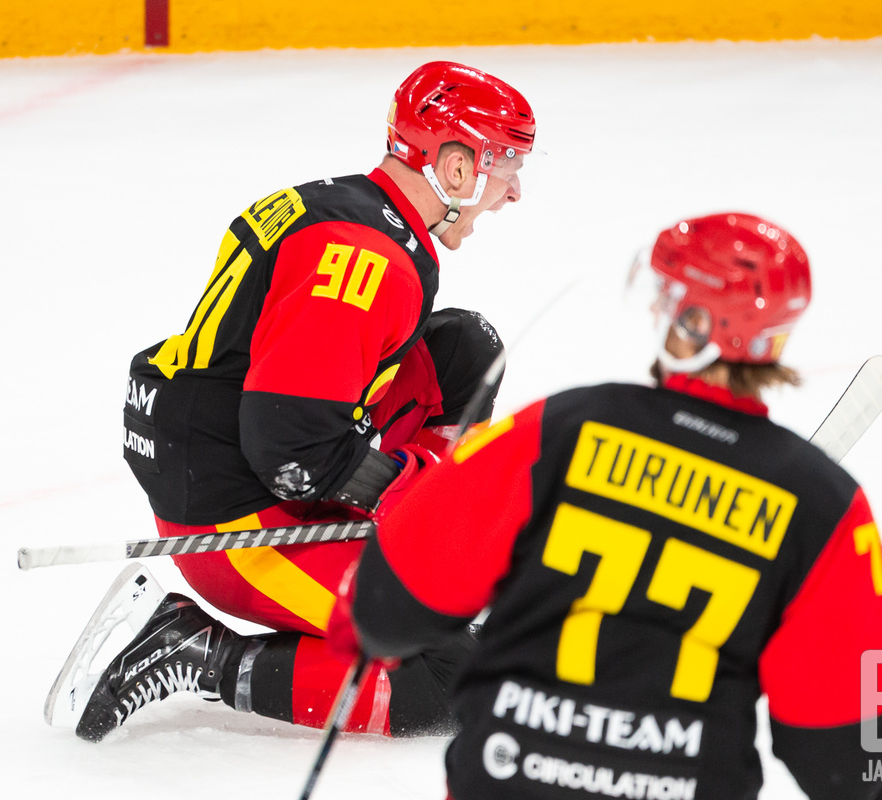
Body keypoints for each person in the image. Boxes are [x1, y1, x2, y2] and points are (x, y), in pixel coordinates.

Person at [331, 212, 882, 799]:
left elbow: (392, 606)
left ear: (695, 324)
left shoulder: (561, 430)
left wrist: (364, 618)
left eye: (669, 298)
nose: (657, 311)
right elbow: (842, 750)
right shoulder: (823, 505)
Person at [50, 61, 538, 742]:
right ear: (456, 168)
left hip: (226, 448)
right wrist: (415, 493)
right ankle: (195, 651)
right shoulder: (366, 259)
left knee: (463, 351)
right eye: (507, 163)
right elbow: (293, 451)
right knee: (456, 673)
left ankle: (419, 560)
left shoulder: (352, 208)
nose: (514, 191)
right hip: (233, 517)